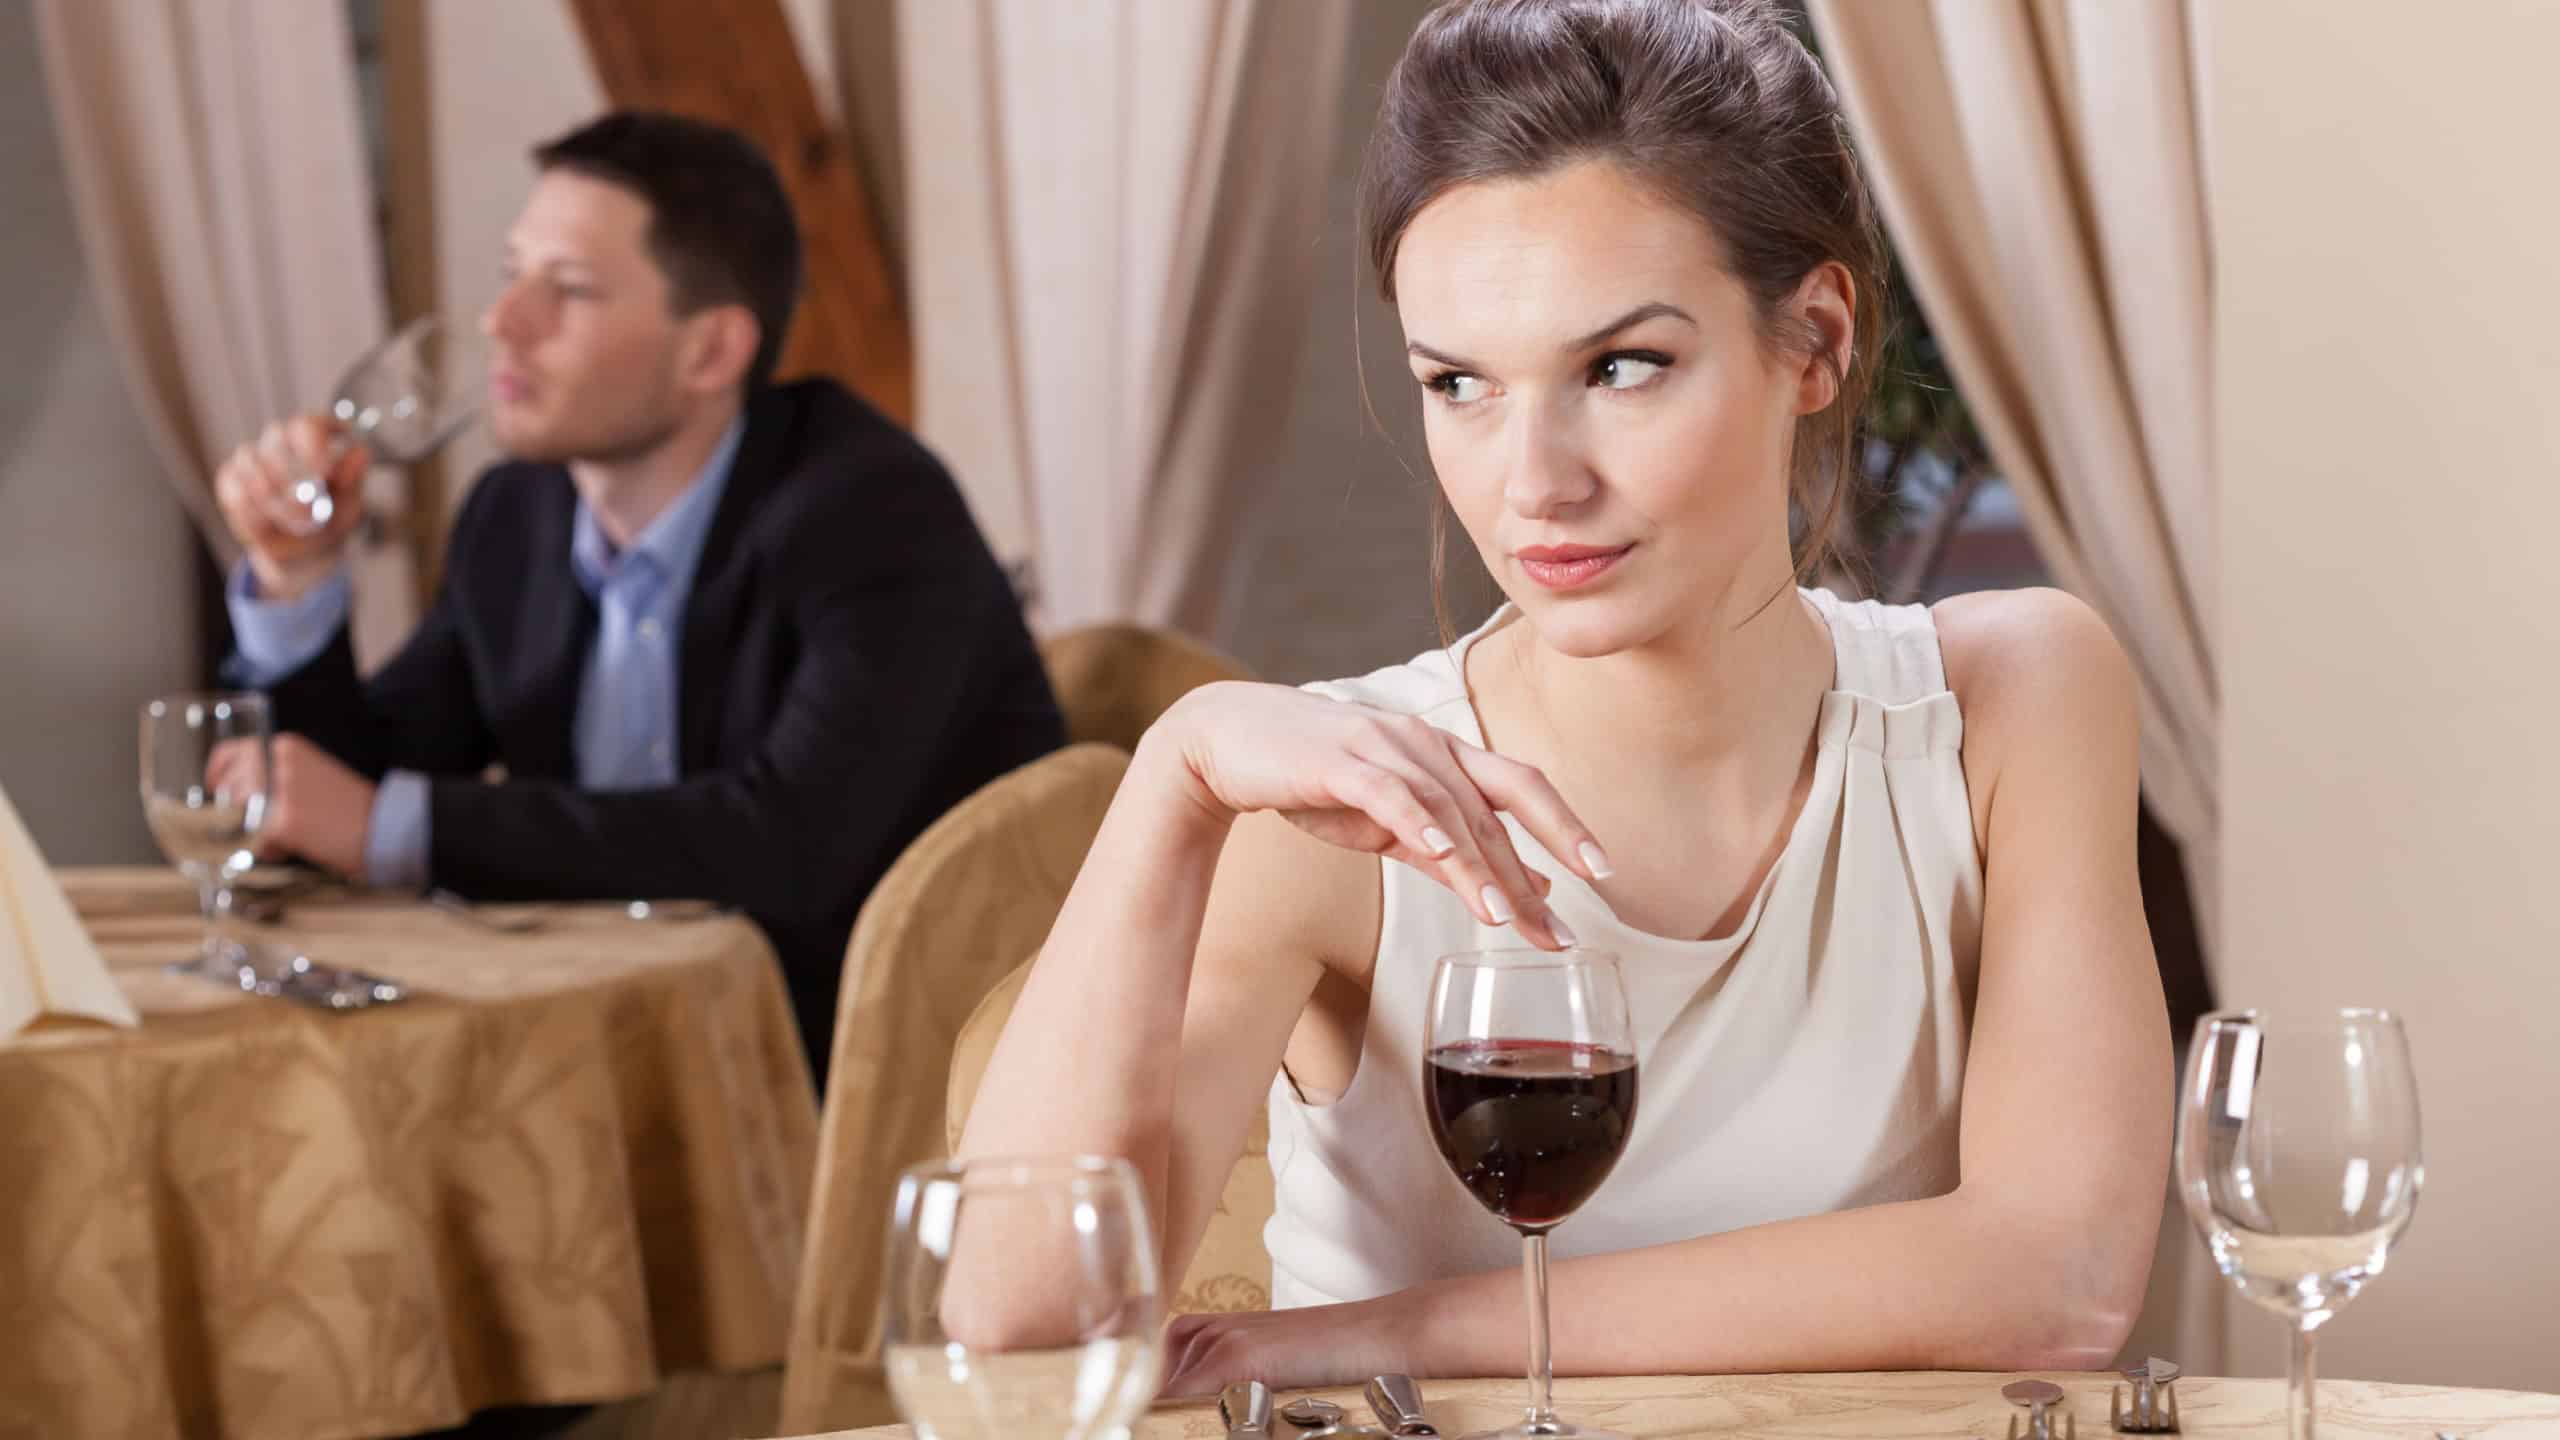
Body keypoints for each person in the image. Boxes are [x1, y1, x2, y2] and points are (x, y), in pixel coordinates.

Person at [953, 0, 2169, 1391]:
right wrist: (1171, 778)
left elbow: (2058, 1280)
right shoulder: (1341, 807)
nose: (1535, 482)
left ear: (1817, 339)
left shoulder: (2014, 700)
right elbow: (1027, 1337)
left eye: (1622, 367)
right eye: (1459, 382)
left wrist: (1387, 1336)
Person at [214, 111, 1064, 1081]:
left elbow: (788, 844)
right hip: (612, 1047)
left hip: (884, 1082)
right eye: (511, 274)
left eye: (567, 290)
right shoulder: (514, 515)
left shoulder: (870, 507)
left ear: (710, 353)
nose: (504, 321)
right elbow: (345, 786)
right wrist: (295, 577)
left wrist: (392, 827)